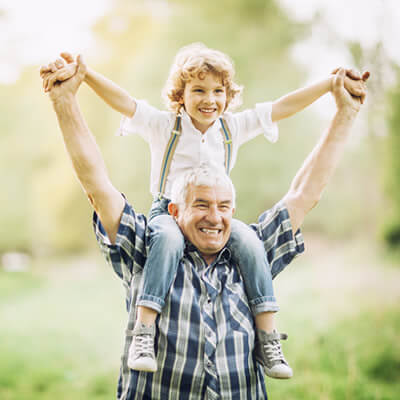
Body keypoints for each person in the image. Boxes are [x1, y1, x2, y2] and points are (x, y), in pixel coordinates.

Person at [41, 56, 367, 398]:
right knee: (167, 237)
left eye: (224, 207)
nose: (214, 217)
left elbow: (304, 191)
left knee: (251, 242)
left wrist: (339, 100)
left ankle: (268, 339)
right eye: (201, 205)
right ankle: (144, 332)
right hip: (163, 221)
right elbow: (97, 182)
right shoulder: (146, 246)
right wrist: (74, 88)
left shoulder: (246, 240)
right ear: (181, 95)